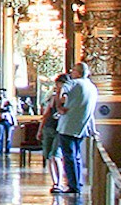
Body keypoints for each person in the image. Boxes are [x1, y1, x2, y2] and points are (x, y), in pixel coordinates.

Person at [54, 60, 99, 195]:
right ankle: (78, 182)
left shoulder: (74, 83)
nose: (71, 73)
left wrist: (59, 106)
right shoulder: (92, 87)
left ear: (78, 73)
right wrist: (93, 129)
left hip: (68, 126)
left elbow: (61, 89)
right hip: (82, 126)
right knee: (77, 156)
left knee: (69, 156)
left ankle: (73, 185)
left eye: (73, 70)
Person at [39, 74, 69, 192]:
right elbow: (46, 114)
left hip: (60, 129)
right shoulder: (53, 97)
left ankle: (59, 182)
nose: (58, 86)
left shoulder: (69, 99)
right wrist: (40, 129)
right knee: (49, 157)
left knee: (56, 155)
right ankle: (55, 182)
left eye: (60, 84)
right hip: (49, 127)